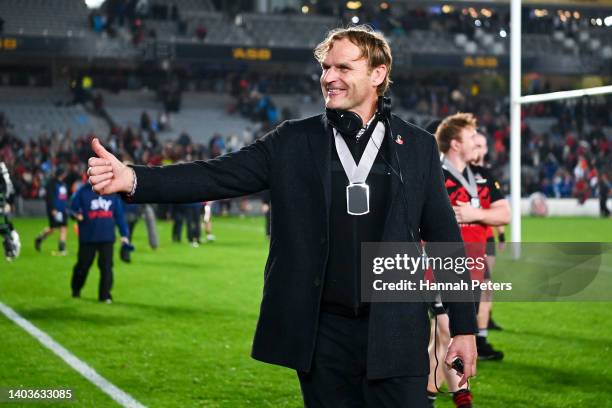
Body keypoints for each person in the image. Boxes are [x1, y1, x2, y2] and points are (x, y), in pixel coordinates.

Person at [87, 26, 477, 407]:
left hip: (397, 329)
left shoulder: (417, 147)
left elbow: (445, 240)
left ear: (378, 75)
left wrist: (462, 327)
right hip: (324, 333)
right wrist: (133, 178)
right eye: (325, 68)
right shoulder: (293, 140)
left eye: (343, 68)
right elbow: (215, 175)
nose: (329, 77)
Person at [427, 113, 510, 407]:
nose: (478, 141)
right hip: (441, 266)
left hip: (474, 268)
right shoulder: (432, 174)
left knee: (444, 339)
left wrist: (476, 215)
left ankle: (443, 396)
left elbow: (505, 215)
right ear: (454, 144)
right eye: (471, 136)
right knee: (446, 330)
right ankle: (455, 398)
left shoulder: (484, 176)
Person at [69, 182, 130, 303]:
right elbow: (72, 210)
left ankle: (105, 295)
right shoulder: (83, 191)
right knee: (83, 266)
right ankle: (76, 289)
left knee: (106, 267)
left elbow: (119, 215)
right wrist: (76, 215)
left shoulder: (112, 192)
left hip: (107, 237)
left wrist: (124, 235)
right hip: (88, 237)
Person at [471, 132, 504, 332]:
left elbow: (497, 208)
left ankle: (485, 321)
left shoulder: (486, 174)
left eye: (482, 145)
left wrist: (501, 233)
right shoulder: (460, 171)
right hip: (467, 239)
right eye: (477, 144)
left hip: (487, 237)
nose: (480, 149)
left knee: (486, 284)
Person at [35, 167, 70, 256]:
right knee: (52, 229)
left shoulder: (63, 184)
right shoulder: (51, 183)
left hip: (63, 210)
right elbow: (49, 197)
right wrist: (53, 209)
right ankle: (39, 238)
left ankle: (62, 249)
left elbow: (65, 196)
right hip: (55, 210)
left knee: (64, 228)